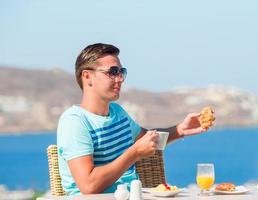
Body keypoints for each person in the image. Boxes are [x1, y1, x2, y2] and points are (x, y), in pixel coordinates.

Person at [57, 43, 214, 195]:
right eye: (112, 72)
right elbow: (88, 186)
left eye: (121, 72)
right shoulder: (75, 121)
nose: (120, 79)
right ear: (87, 76)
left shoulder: (117, 112)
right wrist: (135, 153)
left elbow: (148, 138)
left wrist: (180, 130)